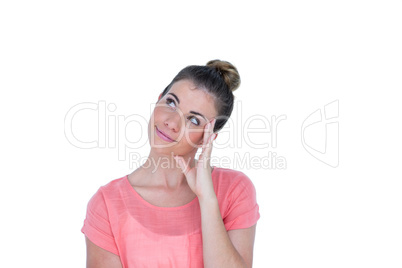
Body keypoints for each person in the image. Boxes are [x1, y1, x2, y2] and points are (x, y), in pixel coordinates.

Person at [81, 60, 260, 267]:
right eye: (171, 102)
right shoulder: (107, 203)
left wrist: (207, 198)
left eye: (194, 120)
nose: (172, 122)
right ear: (158, 100)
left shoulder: (235, 190)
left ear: (206, 138)